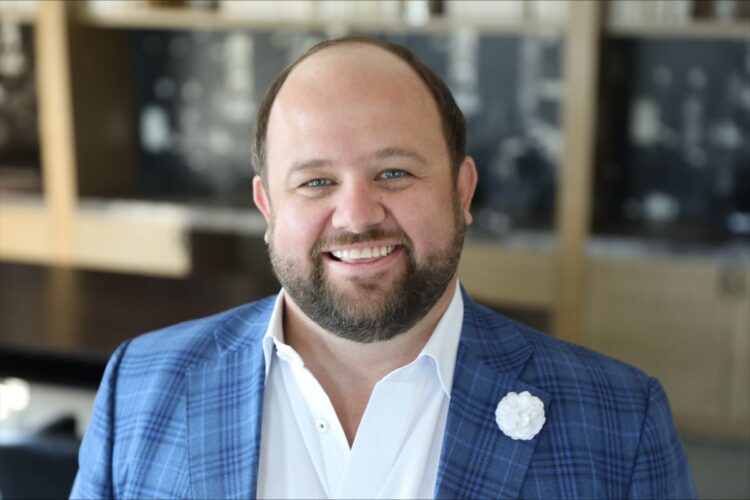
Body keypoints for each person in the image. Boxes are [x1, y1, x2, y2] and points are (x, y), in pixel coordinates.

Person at [71, 36, 695, 499]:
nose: (357, 215)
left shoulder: (621, 422)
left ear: (461, 191)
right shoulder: (139, 386)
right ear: (268, 208)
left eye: (394, 172)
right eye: (315, 181)